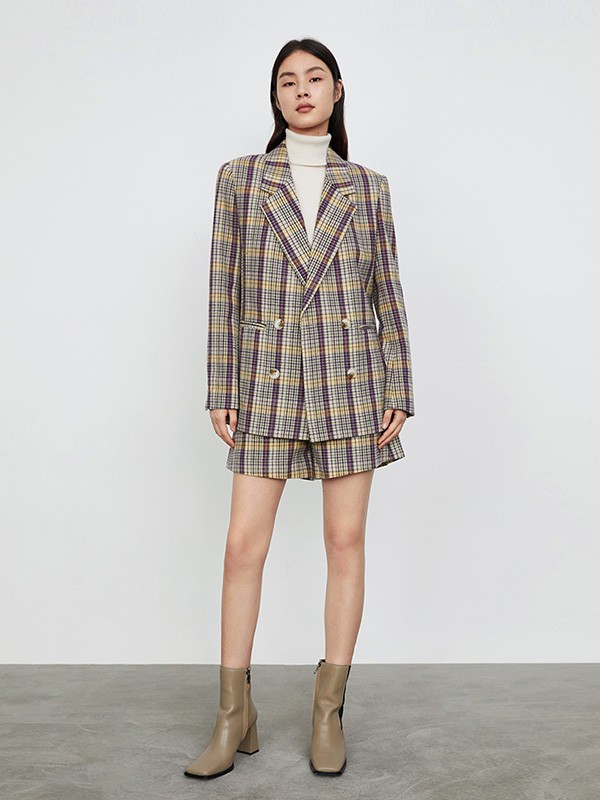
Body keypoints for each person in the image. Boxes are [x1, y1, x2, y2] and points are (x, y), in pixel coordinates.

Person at [184, 37, 414, 780]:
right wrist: (222, 387)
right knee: (241, 547)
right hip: (268, 380)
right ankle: (233, 714)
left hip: (352, 381)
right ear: (276, 96)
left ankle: (327, 711)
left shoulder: (368, 187)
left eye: (315, 78)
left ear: (337, 90)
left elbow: (386, 293)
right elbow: (222, 287)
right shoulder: (242, 179)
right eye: (288, 80)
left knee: (345, 542)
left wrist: (399, 388)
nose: (302, 89)